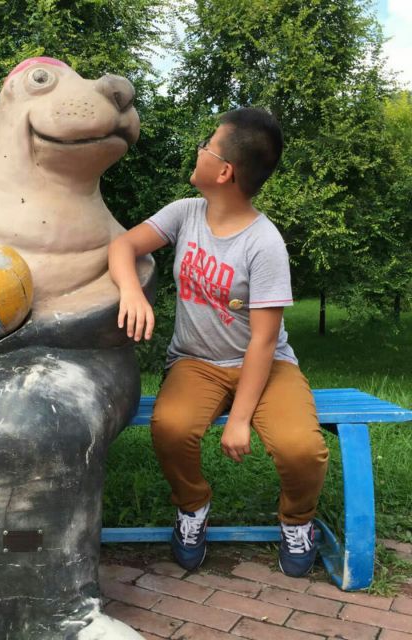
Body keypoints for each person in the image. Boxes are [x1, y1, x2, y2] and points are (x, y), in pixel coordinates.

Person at [108, 107, 329, 578]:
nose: (199, 150)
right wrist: (131, 291)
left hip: (265, 365)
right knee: (170, 428)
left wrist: (241, 420)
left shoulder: (264, 243)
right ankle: (193, 507)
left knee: (301, 450)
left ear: (224, 171)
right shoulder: (184, 214)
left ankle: (298, 521)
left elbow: (264, 341)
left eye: (207, 145)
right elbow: (123, 245)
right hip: (195, 362)